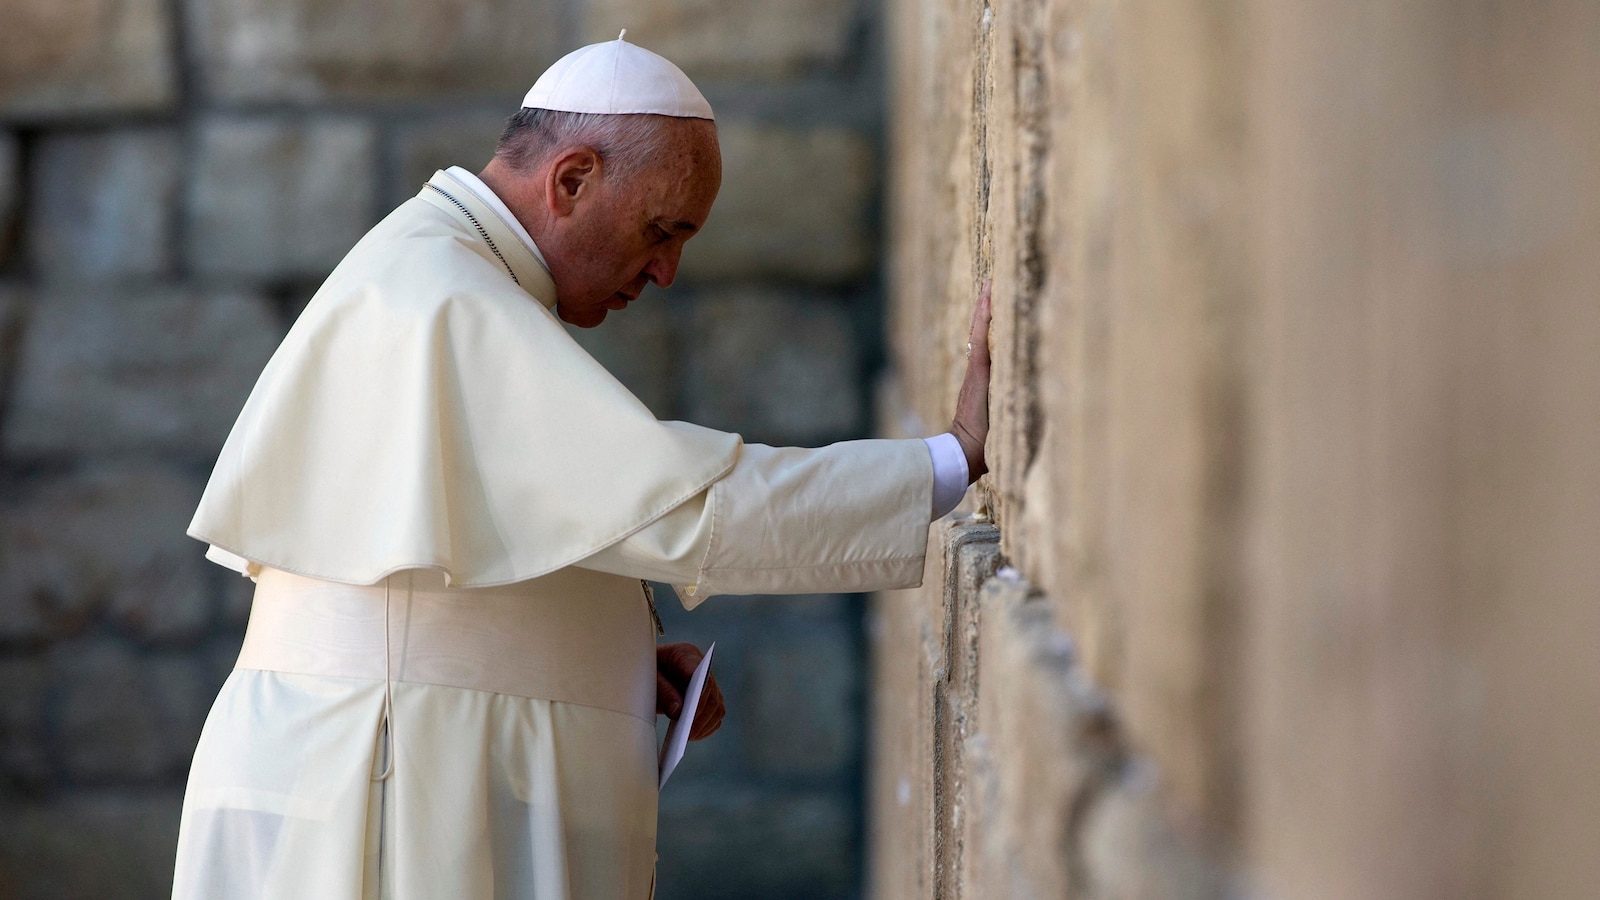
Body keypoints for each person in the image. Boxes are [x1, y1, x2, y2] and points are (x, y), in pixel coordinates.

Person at [171, 34, 992, 900]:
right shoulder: (447, 297)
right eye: (661, 231)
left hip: (382, 757)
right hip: (379, 785)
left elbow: (450, 573)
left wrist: (608, 652)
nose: (667, 271)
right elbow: (683, 509)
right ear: (571, 181)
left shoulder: (439, 267)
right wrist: (952, 461)